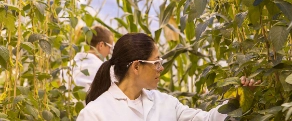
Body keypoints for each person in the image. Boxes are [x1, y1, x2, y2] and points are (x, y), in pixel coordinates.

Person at [77, 33, 260, 121]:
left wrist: (234, 100)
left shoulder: (164, 103)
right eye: (156, 62)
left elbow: (207, 120)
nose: (161, 68)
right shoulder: (95, 114)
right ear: (136, 66)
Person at [68, 25, 114, 92]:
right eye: (110, 47)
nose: (109, 52)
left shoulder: (70, 64)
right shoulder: (103, 69)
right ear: (101, 45)